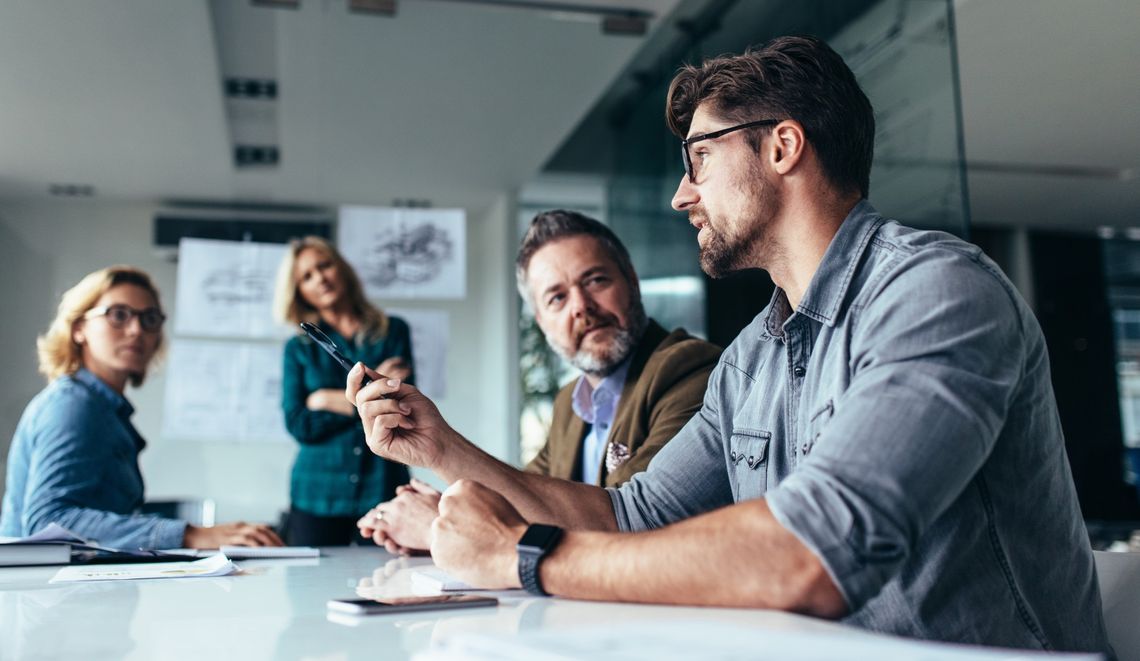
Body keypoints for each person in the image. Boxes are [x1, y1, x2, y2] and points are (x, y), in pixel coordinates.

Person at [346, 35, 1110, 653]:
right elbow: (629, 515)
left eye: (700, 157)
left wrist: (522, 555)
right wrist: (440, 448)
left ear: (782, 147)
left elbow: (813, 550)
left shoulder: (938, 292)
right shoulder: (751, 357)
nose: (683, 193)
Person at [356, 211, 721, 552]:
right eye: (557, 298)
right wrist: (450, 507)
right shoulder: (570, 403)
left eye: (595, 280)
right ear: (541, 322)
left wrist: (440, 524)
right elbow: (525, 499)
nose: (581, 306)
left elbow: (626, 524)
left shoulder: (689, 370)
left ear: (632, 282)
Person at [0, 266, 282, 549]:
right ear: (78, 328)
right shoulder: (73, 405)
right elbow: (48, 522)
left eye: (149, 319)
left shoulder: (105, 409)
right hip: (43, 590)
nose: (136, 330)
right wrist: (190, 534)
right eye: (118, 315)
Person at [275, 236, 414, 546]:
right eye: (306, 276)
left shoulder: (393, 332)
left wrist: (324, 400)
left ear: (341, 269)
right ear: (299, 291)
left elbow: (399, 408)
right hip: (317, 493)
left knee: (388, 582)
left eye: (324, 266)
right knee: (310, 590)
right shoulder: (298, 349)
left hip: (382, 487)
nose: (320, 278)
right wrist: (367, 400)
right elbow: (299, 423)